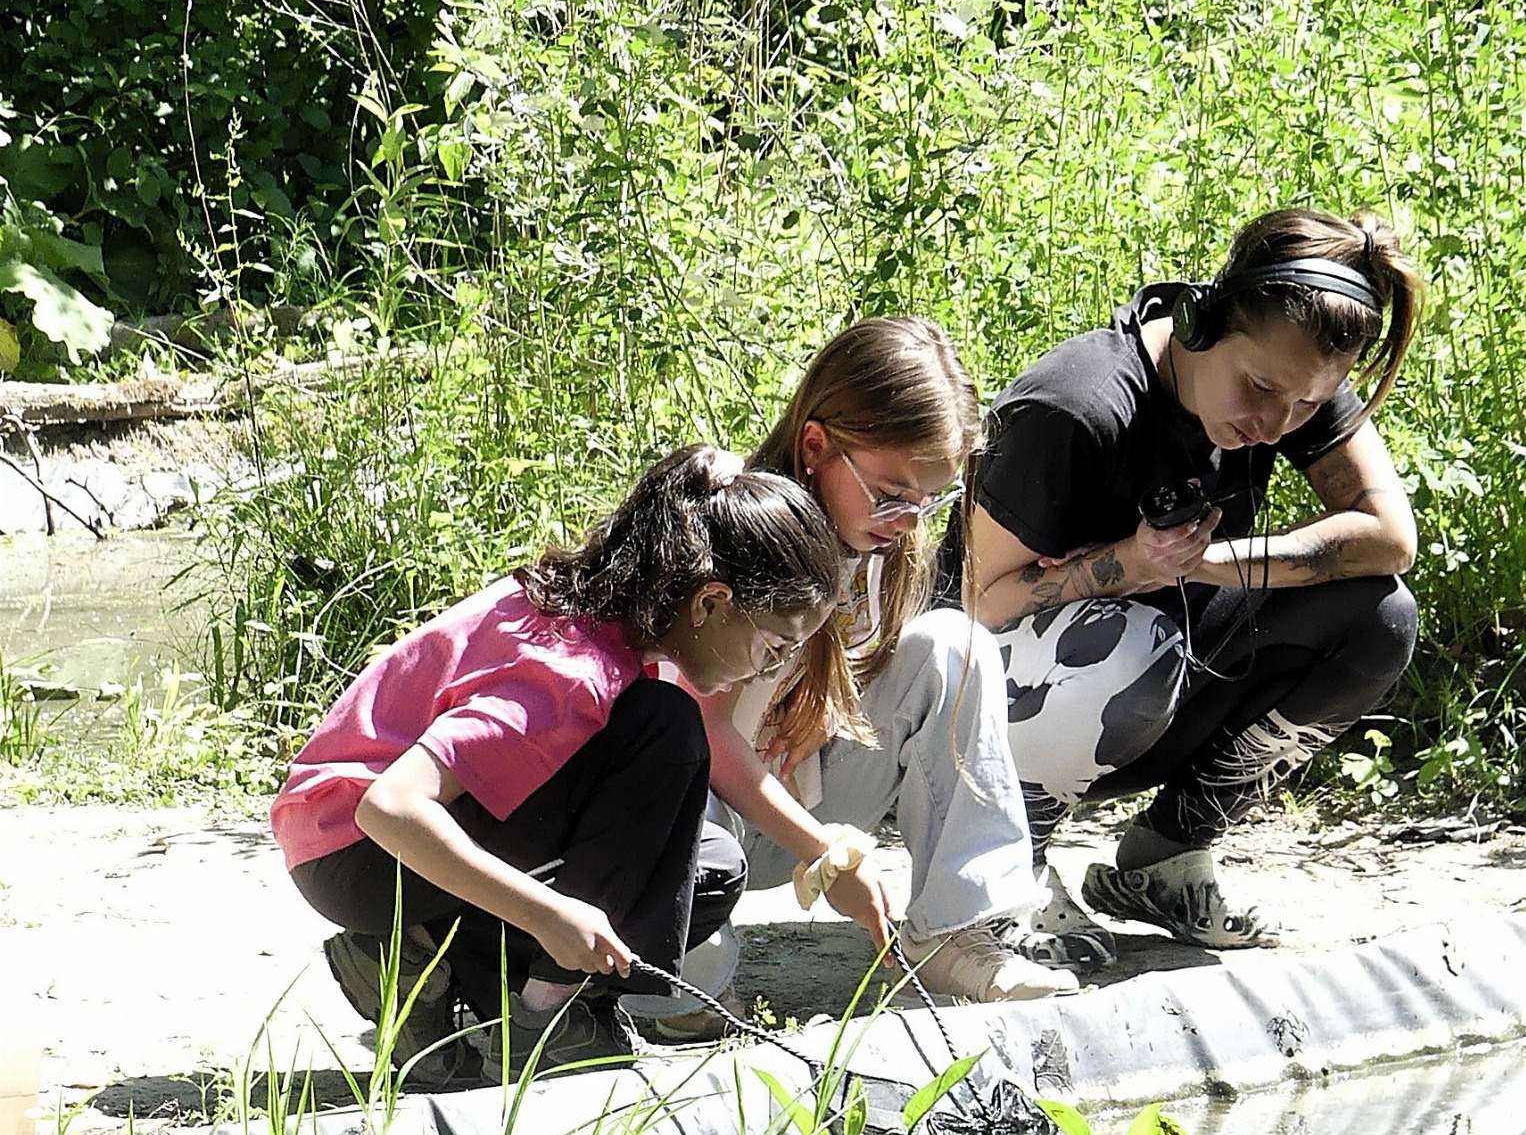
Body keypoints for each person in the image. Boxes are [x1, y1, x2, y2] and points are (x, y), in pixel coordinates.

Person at [271, 448, 848, 1076]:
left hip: (377, 843)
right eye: (773, 647)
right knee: (668, 729)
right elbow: (389, 806)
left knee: (706, 872)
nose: (766, 671)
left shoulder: (620, 618)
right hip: (352, 850)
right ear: (708, 604)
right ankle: (543, 1016)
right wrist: (546, 915)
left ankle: (423, 965)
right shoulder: (567, 673)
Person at [960, 203, 1425, 950]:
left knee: (1379, 618)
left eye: (1305, 403)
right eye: (1261, 390)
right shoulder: (1076, 406)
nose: (1276, 423)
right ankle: (1002, 860)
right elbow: (970, 606)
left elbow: (1390, 537)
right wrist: (1124, 567)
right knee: (1132, 637)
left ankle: (1167, 858)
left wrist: (1212, 564)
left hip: (1149, 690)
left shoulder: (1291, 372)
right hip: (992, 719)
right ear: (1203, 321)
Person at [695, 319, 1077, 1004]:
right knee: (683, 1000)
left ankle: (954, 932)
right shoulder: (740, 538)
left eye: (932, 501)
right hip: (700, 829)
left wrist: (827, 700)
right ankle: (685, 956)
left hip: (785, 805)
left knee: (955, 646)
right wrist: (824, 850)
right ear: (816, 445)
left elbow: (874, 664)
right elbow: (700, 736)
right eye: (891, 493)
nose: (908, 519)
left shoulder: (883, 544)